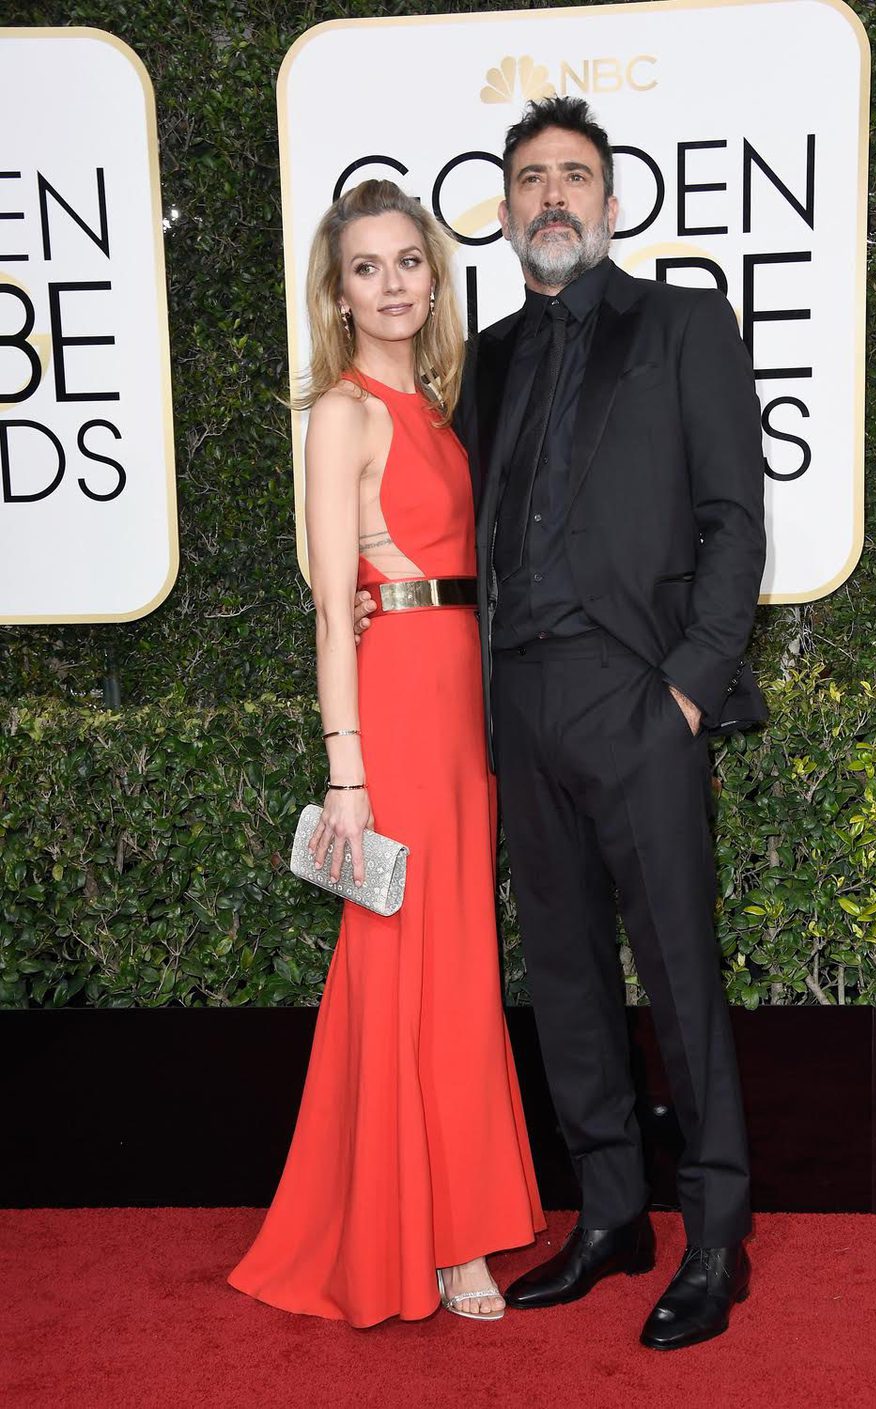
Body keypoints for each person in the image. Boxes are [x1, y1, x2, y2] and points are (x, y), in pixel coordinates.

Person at [356, 97, 767, 1351]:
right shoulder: (489, 355)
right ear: (507, 205)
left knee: (680, 976)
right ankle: (609, 1215)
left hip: (637, 695)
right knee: (570, 973)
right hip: (518, 705)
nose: (552, 197)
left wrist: (689, 686)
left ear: (610, 200)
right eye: (530, 178)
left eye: (573, 177)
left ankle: (715, 1239)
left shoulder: (683, 323)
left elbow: (733, 518)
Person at [228, 179, 544, 1329]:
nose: (393, 282)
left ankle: (438, 1213)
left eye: (408, 260)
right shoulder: (343, 413)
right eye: (367, 266)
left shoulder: (440, 409)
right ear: (338, 288)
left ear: (433, 274)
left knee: (457, 966)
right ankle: (442, 1238)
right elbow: (330, 608)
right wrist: (346, 773)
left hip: (465, 708)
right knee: (406, 964)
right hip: (398, 711)